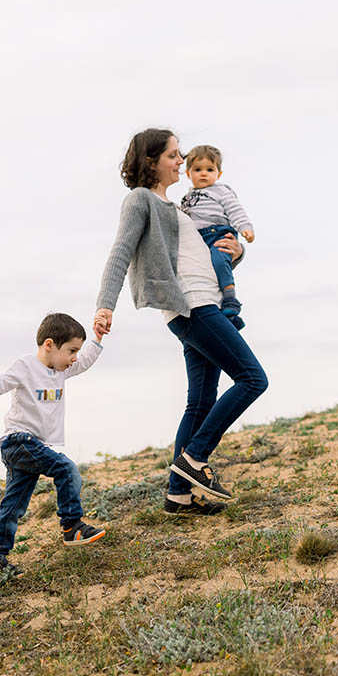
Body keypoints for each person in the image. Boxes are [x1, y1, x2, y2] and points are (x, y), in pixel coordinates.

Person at [94, 129, 268, 515]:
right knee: (253, 379)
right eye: (174, 155)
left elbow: (201, 255)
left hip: (206, 303)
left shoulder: (179, 209)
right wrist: (105, 305)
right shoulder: (140, 200)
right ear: (151, 161)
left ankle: (178, 495)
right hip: (192, 307)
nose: (181, 161)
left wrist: (235, 250)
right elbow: (120, 252)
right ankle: (195, 459)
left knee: (200, 401)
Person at [0, 313, 107, 575]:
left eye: (76, 351)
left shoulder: (59, 371)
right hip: (18, 441)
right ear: (49, 345)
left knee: (13, 505)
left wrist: (98, 339)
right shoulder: (25, 366)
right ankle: (72, 526)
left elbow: (86, 361)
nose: (74, 358)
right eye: (70, 350)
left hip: (31, 448)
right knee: (66, 469)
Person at [180, 144, 255, 328]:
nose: (203, 173)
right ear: (189, 174)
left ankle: (231, 299)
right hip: (200, 239)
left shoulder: (221, 191)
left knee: (220, 261)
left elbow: (235, 210)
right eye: (197, 169)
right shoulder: (186, 198)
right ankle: (228, 318)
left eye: (209, 169)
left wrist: (245, 228)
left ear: (218, 174)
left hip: (218, 233)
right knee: (208, 276)